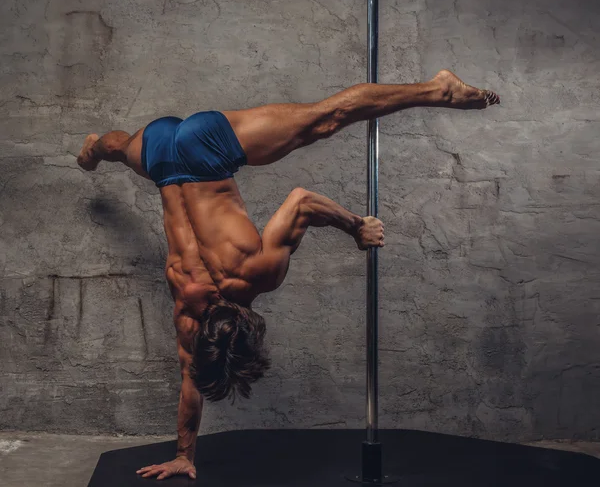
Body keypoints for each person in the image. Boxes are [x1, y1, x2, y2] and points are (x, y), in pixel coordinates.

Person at [76, 70, 499, 480]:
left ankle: (438, 89)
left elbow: (302, 202)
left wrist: (356, 227)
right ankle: (97, 150)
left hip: (207, 148)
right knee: (123, 149)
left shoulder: (256, 277)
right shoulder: (188, 305)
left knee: (326, 117)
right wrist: (184, 456)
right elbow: (191, 378)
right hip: (158, 154)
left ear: (253, 329)